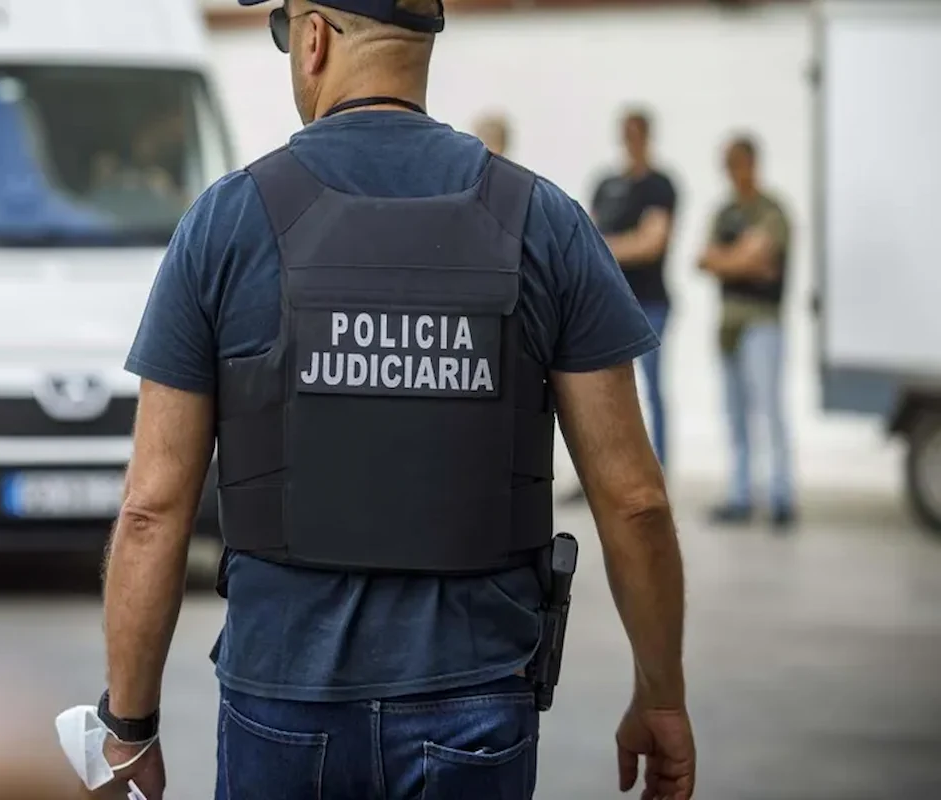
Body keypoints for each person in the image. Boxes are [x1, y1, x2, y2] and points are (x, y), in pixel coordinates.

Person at [93, 0, 695, 798]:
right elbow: (636, 501)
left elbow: (152, 508)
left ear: (313, 40)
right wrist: (661, 695)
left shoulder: (227, 223)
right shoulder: (542, 221)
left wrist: (128, 730)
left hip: (283, 700)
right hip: (476, 698)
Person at [562, 108, 677, 505]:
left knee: (652, 389)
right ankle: (597, 475)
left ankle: (656, 474)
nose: (632, 141)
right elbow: (588, 234)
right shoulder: (606, 183)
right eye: (626, 133)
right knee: (599, 389)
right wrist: (621, 245)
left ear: (647, 136)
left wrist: (608, 247)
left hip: (650, 303)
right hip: (609, 300)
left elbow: (653, 243)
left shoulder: (661, 185)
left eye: (637, 133)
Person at [698, 134, 796, 527]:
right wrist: (744, 261)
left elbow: (764, 256)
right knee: (735, 413)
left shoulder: (771, 211)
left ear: (752, 163)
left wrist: (730, 260)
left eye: (736, 163)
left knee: (770, 409)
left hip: (762, 323)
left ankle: (781, 495)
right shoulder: (724, 213)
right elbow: (705, 259)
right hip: (729, 324)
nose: (731, 172)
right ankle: (740, 494)